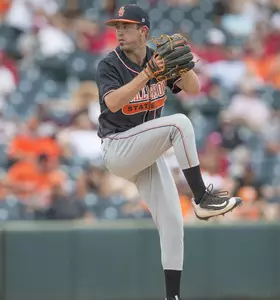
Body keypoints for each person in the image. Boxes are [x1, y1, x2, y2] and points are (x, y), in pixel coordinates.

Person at [96, 4, 243, 300]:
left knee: (174, 223)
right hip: (118, 146)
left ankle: (172, 296)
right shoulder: (109, 64)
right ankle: (202, 197)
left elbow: (194, 87)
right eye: (117, 26)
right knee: (179, 124)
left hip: (145, 151)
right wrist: (146, 74)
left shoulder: (157, 58)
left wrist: (183, 65)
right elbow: (113, 103)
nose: (120, 32)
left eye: (126, 26)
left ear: (143, 31)